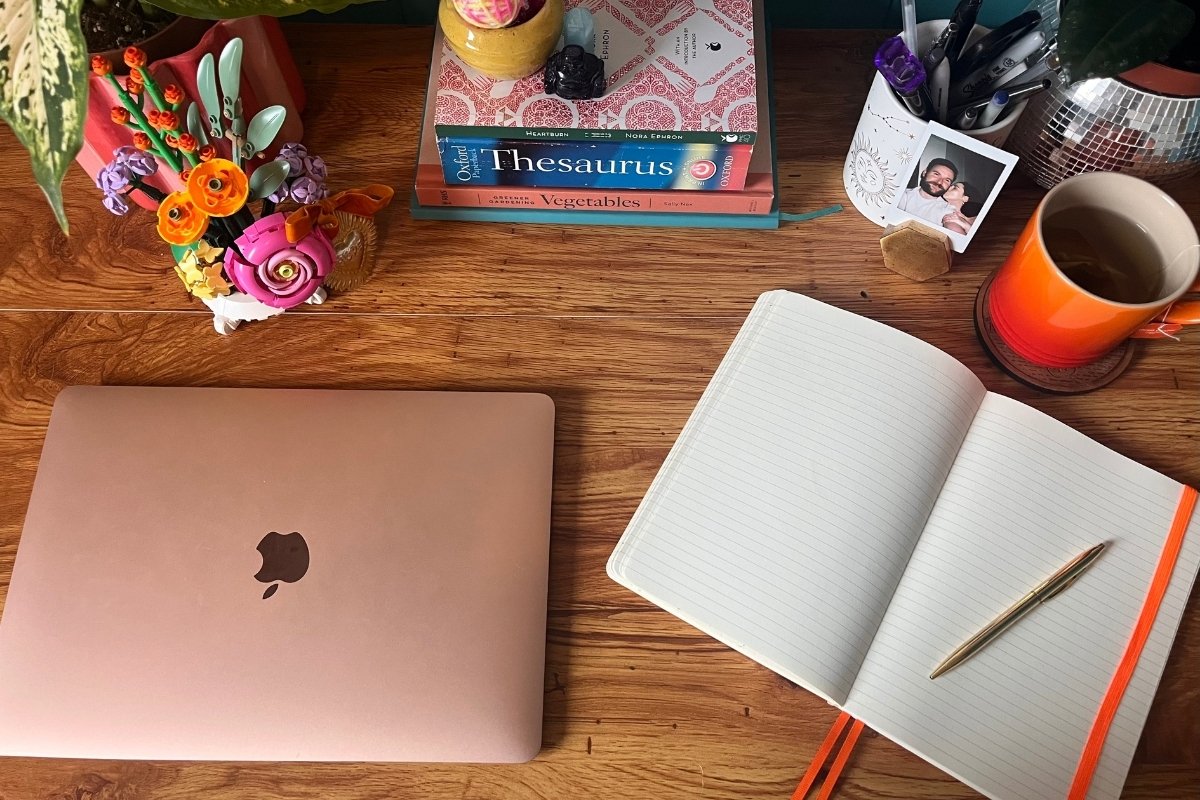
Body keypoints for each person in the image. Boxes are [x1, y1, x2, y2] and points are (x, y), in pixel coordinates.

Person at [898, 158, 958, 225]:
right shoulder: (902, 194)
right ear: (924, 173)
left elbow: (953, 227)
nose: (939, 182)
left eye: (947, 180)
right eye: (936, 174)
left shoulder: (947, 208)